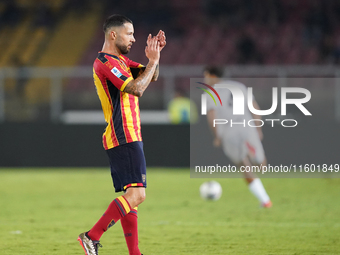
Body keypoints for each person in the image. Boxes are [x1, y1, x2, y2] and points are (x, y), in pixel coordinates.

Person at [78, 14, 166, 255]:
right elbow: (137, 88)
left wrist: (153, 57)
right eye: (130, 34)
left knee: (132, 195)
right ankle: (90, 237)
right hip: (123, 133)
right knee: (138, 194)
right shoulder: (107, 63)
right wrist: (153, 61)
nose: (134, 39)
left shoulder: (121, 61)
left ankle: (134, 252)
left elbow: (151, 75)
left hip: (128, 134)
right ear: (113, 34)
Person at [203, 66, 272, 208]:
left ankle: (265, 200)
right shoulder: (239, 86)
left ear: (213, 76)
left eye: (206, 76)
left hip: (229, 132)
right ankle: (256, 158)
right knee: (260, 163)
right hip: (247, 127)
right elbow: (255, 107)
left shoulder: (210, 92)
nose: (205, 79)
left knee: (244, 165)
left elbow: (212, 116)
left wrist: (217, 136)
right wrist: (258, 128)